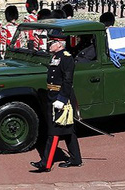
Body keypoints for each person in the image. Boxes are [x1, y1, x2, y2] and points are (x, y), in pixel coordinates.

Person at [30, 32, 82, 172]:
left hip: (60, 97)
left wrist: (62, 99)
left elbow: (67, 80)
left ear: (59, 44)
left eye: (52, 43)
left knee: (54, 131)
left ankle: (46, 164)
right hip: (53, 95)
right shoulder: (55, 57)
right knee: (68, 130)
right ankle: (76, 159)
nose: (49, 45)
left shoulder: (66, 58)